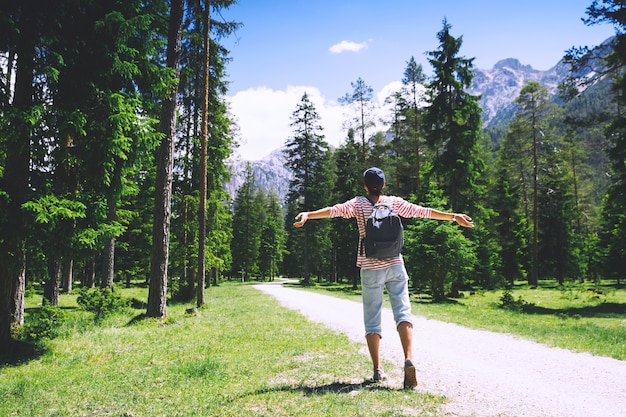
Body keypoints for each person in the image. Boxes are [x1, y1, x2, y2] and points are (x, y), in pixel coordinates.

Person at [293, 167, 474, 389]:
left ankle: (378, 370)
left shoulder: (358, 204)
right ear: (384, 185)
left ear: (365, 186)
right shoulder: (393, 202)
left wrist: (309, 215)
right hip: (396, 264)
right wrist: (453, 217)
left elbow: (334, 210)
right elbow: (422, 211)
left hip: (370, 268)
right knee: (403, 311)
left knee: (372, 317)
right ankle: (408, 358)